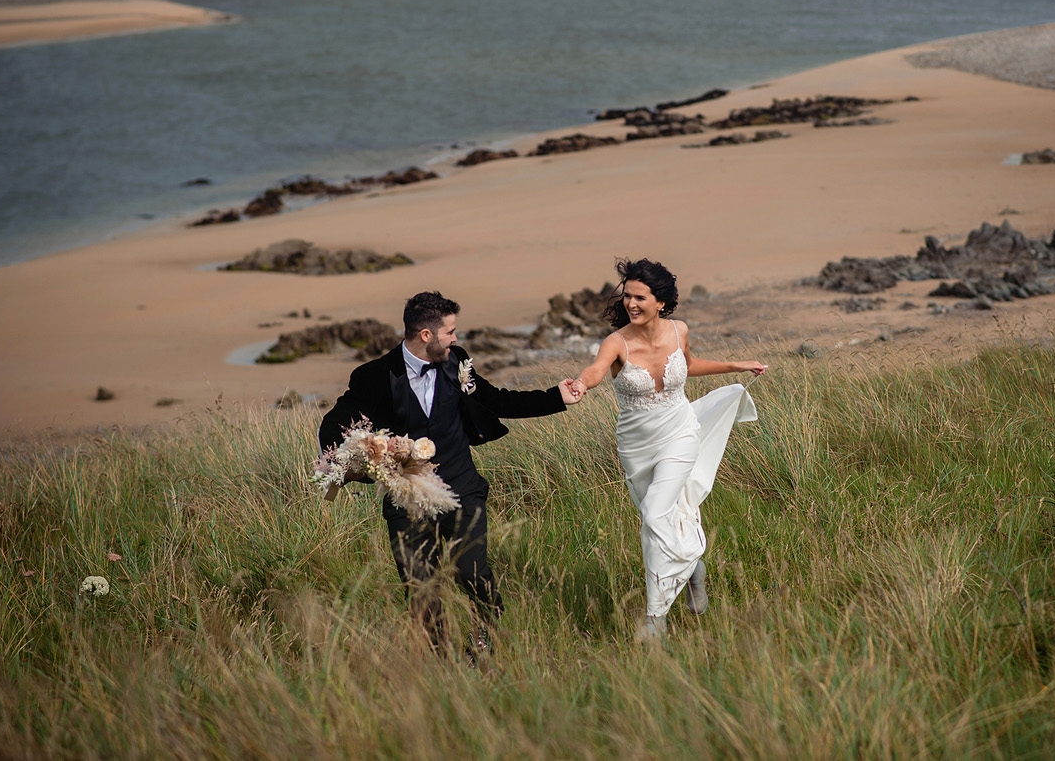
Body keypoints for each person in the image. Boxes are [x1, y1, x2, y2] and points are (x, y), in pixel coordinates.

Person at [318, 291, 581, 650]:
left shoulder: (456, 361)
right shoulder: (375, 375)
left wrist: (555, 397)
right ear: (426, 335)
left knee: (471, 572)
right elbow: (336, 423)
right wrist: (353, 463)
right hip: (407, 499)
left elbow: (496, 400)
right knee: (420, 587)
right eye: (450, 332)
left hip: (462, 489)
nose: (455, 339)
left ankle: (486, 640)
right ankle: (442, 659)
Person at [570, 259, 766, 640]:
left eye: (639, 297)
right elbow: (595, 371)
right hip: (636, 448)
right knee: (655, 522)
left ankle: (654, 618)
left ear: (660, 302)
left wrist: (735, 365)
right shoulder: (616, 343)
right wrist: (580, 384)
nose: (631, 303)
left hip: (680, 433)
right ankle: (693, 569)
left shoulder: (679, 331)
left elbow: (689, 365)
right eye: (627, 296)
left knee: (655, 513)